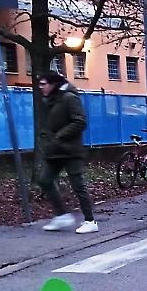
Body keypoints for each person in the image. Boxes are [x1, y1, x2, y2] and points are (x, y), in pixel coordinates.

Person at [37, 71, 96, 233]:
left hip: (70, 150)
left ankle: (90, 221)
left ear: (53, 84)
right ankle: (62, 215)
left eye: (43, 84)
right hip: (55, 150)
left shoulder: (70, 98)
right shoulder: (50, 99)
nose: (41, 87)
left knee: (78, 185)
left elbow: (80, 122)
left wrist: (60, 136)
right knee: (44, 180)